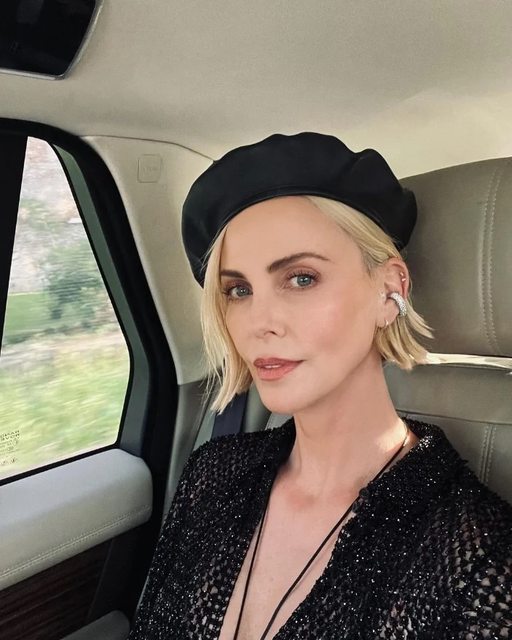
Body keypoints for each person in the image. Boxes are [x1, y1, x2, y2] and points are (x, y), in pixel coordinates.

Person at [129, 133, 512, 639]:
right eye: (238, 290)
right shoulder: (213, 473)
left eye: (301, 278)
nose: (258, 322)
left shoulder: (478, 562)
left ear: (389, 291)